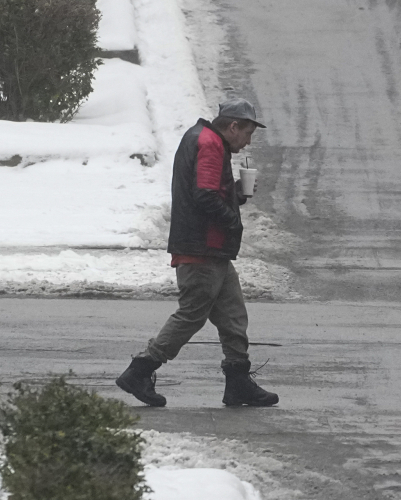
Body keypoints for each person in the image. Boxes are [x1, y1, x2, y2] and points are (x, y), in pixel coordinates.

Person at [115, 99, 279, 408]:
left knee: (232, 315)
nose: (247, 143)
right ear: (232, 126)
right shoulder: (209, 143)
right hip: (201, 247)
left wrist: (235, 195)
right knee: (191, 314)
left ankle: (238, 381)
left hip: (211, 249)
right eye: (247, 134)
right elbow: (204, 195)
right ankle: (141, 369)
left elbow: (207, 190)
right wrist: (232, 219)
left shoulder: (204, 139)